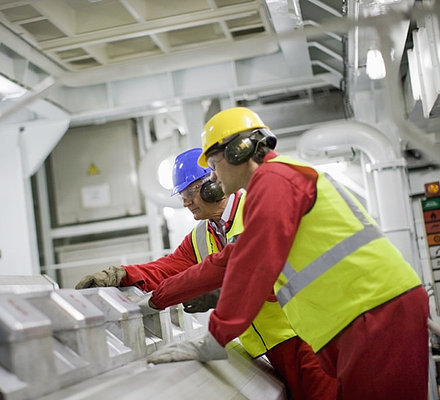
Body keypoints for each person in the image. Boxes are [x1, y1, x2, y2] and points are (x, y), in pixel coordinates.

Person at [142, 107, 429, 400]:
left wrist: (215, 339)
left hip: (372, 312)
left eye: (214, 163)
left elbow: (251, 266)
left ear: (238, 152)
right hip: (366, 313)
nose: (213, 175)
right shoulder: (274, 183)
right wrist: (157, 298)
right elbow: (231, 259)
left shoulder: (274, 180)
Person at [76, 147, 336, 400]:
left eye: (191, 191)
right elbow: (168, 267)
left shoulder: (255, 209)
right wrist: (121, 274)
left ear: (214, 183)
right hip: (270, 349)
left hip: (305, 338)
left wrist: (220, 295)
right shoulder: (201, 236)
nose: (186, 201)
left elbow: (273, 276)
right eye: (182, 195)